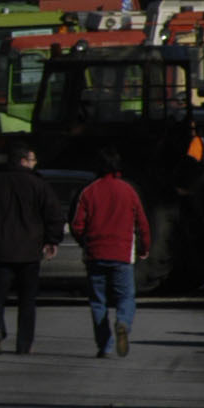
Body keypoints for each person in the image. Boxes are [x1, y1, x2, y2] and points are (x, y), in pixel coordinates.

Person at [0, 139, 65, 354]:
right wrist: (52, 240)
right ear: (22, 161)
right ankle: (24, 344)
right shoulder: (39, 185)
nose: (35, 163)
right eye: (32, 159)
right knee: (27, 300)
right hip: (29, 251)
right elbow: (54, 214)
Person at [69, 146, 151, 358]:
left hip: (95, 254)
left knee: (98, 301)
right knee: (126, 297)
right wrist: (144, 247)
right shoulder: (128, 191)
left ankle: (104, 346)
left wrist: (85, 243)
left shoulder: (89, 191)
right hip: (122, 254)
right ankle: (123, 322)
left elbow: (77, 225)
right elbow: (142, 223)